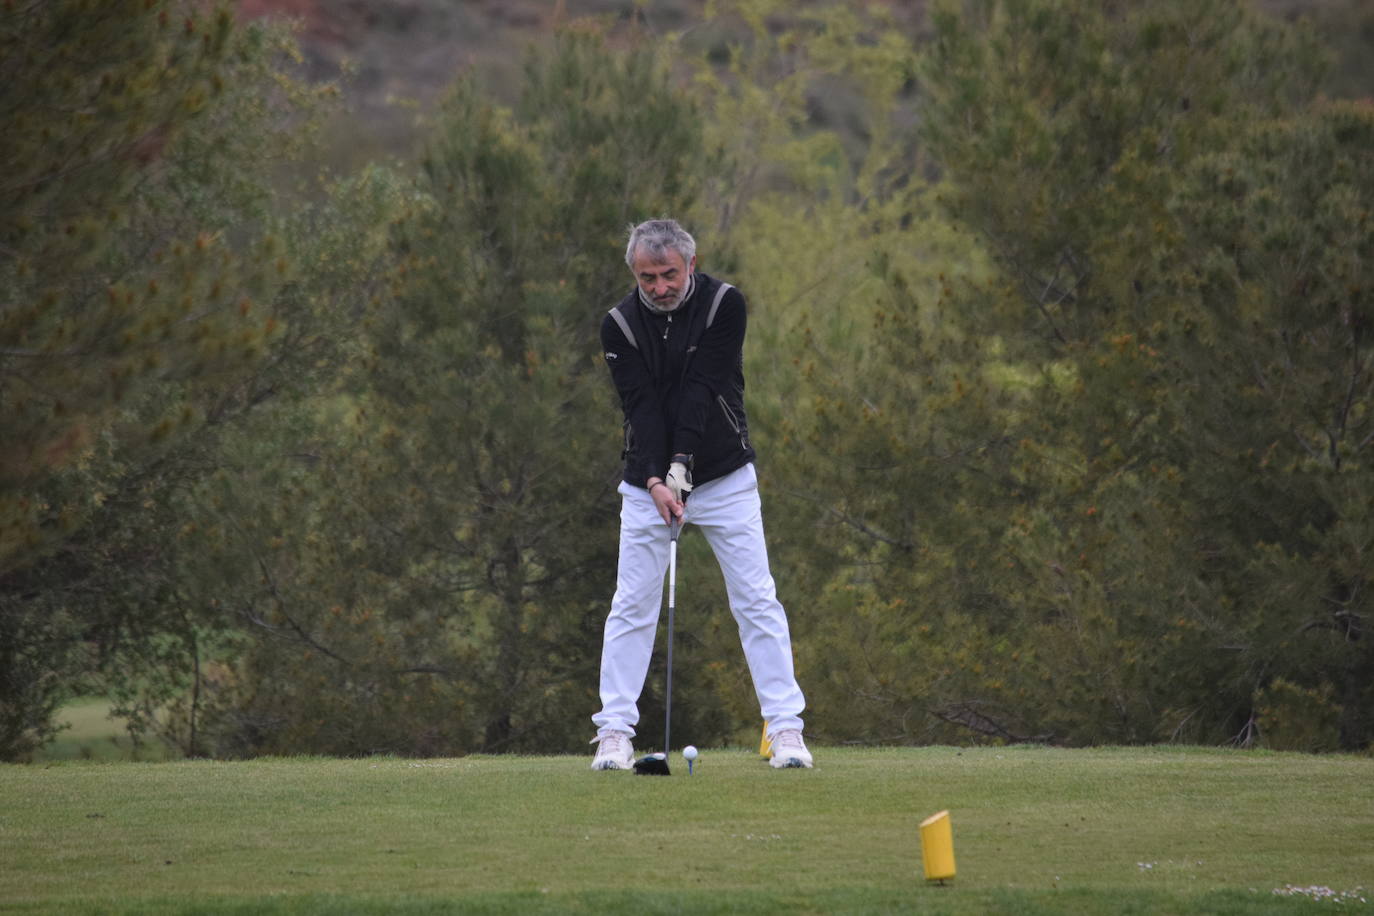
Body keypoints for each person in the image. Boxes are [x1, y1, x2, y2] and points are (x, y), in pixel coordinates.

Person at [590, 218, 812, 771]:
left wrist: (681, 473)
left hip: (724, 477)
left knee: (757, 600)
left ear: (691, 263)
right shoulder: (618, 324)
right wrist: (655, 481)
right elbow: (639, 409)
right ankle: (615, 732)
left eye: (668, 274)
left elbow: (700, 393)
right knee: (631, 607)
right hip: (648, 484)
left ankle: (786, 729)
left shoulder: (723, 306)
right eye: (647, 278)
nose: (660, 287)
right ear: (634, 274)